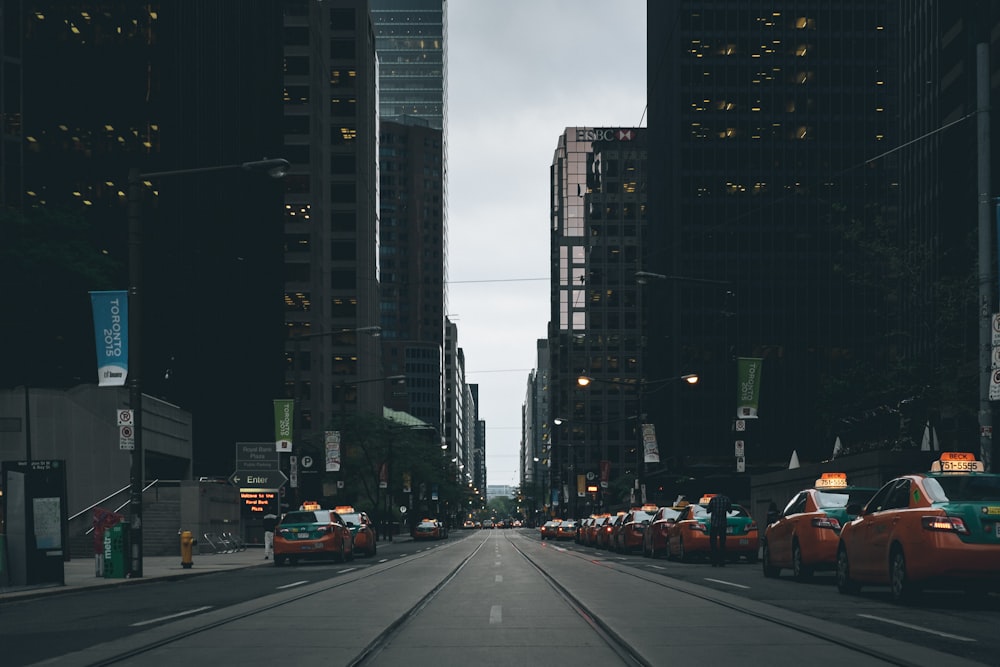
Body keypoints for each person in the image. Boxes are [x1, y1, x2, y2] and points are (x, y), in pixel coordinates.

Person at [706, 493, 732, 567]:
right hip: (723, 524)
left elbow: (708, 510)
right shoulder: (726, 499)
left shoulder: (713, 500)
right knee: (722, 543)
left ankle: (714, 561)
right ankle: (722, 561)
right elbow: (730, 510)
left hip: (714, 524)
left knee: (713, 543)